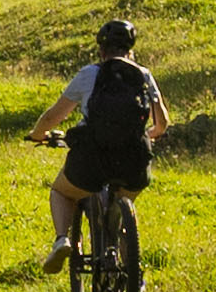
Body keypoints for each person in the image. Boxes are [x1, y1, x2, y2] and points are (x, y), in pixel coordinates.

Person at [42, 19, 172, 274]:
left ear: (101, 50)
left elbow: (52, 118)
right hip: (134, 160)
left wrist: (39, 134)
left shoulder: (89, 74)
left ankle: (62, 240)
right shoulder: (143, 75)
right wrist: (148, 134)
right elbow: (162, 123)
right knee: (123, 212)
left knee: (62, 192)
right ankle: (132, 275)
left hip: (92, 158)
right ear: (131, 50)